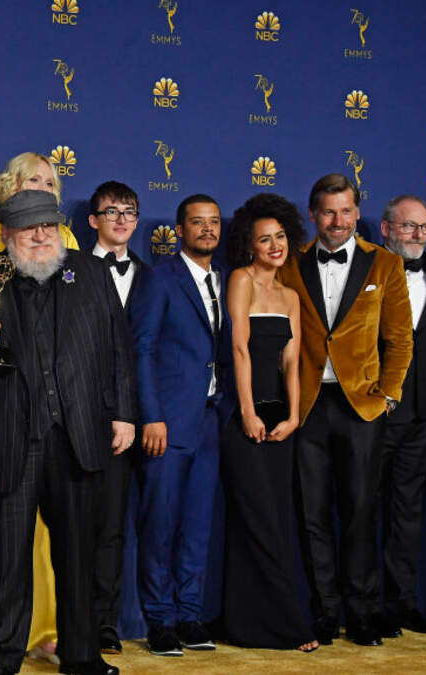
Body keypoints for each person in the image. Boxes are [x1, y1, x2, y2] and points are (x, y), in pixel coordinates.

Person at [0, 189, 135, 675]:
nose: (41, 235)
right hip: (7, 437)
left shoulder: (91, 272)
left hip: (76, 434)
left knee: (79, 554)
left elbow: (118, 347)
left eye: (48, 225)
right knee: (4, 558)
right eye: (29, 228)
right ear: (6, 234)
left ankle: (82, 656)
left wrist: (124, 413)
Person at [276, 173, 412, 647]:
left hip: (362, 408)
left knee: (360, 513)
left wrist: (388, 395)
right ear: (313, 215)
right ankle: (324, 612)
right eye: (329, 212)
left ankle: (363, 613)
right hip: (307, 406)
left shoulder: (386, 264)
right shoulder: (290, 264)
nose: (338, 221)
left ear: (358, 213)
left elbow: (400, 338)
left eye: (346, 211)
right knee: (312, 515)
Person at [127, 194, 231, 657]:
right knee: (160, 523)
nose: (208, 229)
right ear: (180, 229)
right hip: (166, 423)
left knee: (197, 525)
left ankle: (190, 615)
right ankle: (160, 620)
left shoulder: (225, 278)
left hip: (209, 420)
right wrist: (151, 415)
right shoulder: (159, 278)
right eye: (197, 222)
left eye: (214, 222)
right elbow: (143, 348)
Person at [220, 193, 317, 652]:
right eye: (265, 239)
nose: (275, 246)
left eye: (280, 237)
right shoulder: (240, 280)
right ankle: (286, 626)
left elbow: (291, 362)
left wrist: (294, 416)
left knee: (276, 520)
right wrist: (246, 411)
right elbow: (239, 349)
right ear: (249, 244)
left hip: (280, 420)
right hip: (245, 417)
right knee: (256, 519)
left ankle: (245, 625)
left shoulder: (291, 296)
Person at [375, 195, 426, 636]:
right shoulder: (364, 271)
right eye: (408, 226)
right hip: (373, 411)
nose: (418, 235)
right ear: (386, 229)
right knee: (363, 511)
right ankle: (363, 607)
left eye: (424, 227)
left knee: (407, 515)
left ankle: (401, 605)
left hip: (421, 415)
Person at [86, 180, 147, 655]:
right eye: (112, 211)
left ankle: (105, 623)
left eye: (129, 212)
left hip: (137, 418)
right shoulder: (68, 271)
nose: (122, 219)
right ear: (93, 221)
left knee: (112, 527)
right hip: (80, 415)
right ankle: (71, 619)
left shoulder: (153, 276)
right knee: (76, 526)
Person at [0, 152, 79, 251]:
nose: (43, 189)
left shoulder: (65, 237)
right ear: (13, 185)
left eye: (49, 183)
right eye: (34, 180)